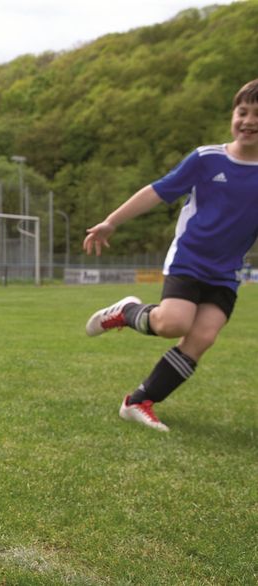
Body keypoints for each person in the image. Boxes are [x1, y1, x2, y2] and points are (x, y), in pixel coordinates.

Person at [82, 78, 258, 432]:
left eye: (257, 115)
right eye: (243, 112)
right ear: (232, 115)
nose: (249, 121)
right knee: (172, 324)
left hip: (226, 272)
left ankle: (138, 402)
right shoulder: (207, 159)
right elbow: (157, 191)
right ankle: (126, 311)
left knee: (203, 337)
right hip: (190, 258)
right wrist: (112, 221)